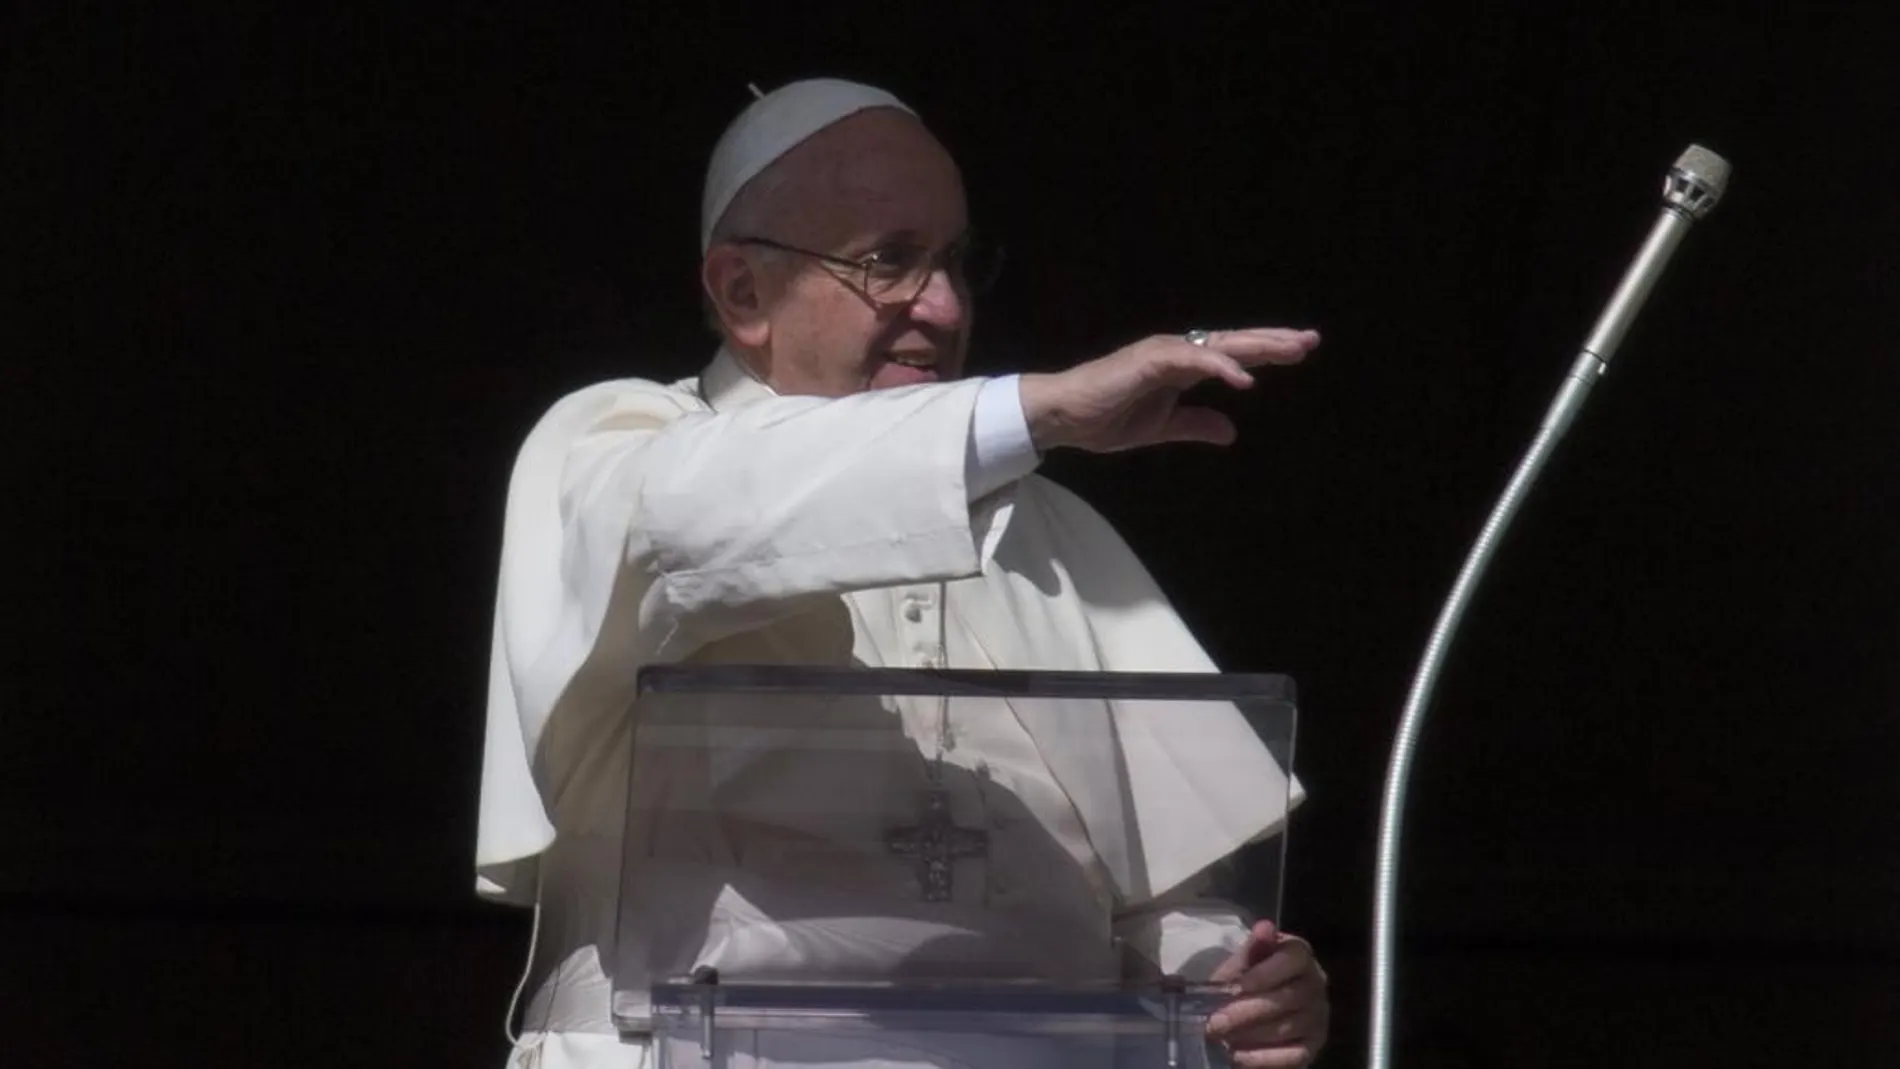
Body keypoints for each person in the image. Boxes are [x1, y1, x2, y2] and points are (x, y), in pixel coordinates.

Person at [476, 77, 1331, 1068]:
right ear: (742, 293)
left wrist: (1238, 981)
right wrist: (1037, 411)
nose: (946, 305)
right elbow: (698, 515)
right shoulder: (617, 449)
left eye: (957, 262)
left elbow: (1152, 907)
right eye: (891, 262)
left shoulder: (1051, 530)